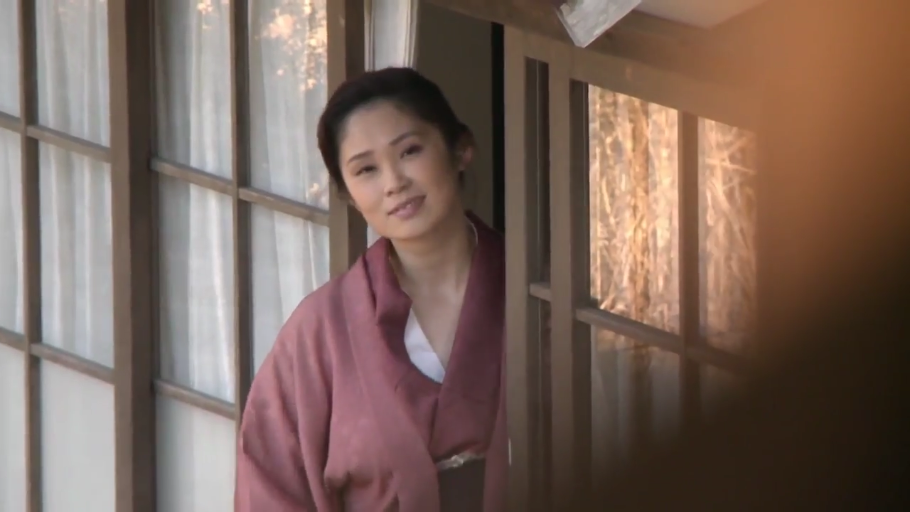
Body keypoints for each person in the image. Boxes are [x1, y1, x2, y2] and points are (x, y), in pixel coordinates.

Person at [234, 67, 508, 512]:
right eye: (366, 170)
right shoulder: (321, 330)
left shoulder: (537, 298)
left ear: (461, 149)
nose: (394, 182)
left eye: (410, 151)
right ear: (348, 194)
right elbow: (270, 487)